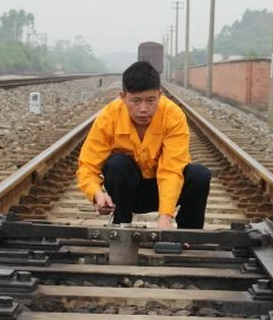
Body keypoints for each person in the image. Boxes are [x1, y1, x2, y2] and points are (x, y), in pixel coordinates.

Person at [76, 61, 211, 229]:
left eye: (151, 100)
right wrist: (96, 194)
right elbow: (88, 166)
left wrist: (165, 218)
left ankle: (189, 235)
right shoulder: (109, 117)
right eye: (136, 101)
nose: (143, 109)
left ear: (160, 95)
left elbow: (172, 169)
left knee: (199, 175)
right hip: (129, 193)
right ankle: (121, 227)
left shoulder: (173, 115)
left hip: (165, 192)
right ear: (123, 97)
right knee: (117, 164)